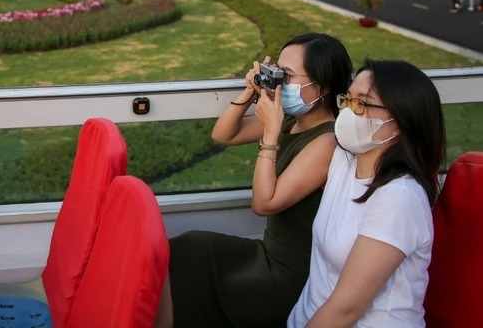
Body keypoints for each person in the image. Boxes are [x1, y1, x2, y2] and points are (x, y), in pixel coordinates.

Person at [165, 33, 353, 328]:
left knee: (191, 278)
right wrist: (250, 93)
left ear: (323, 86)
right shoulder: (292, 120)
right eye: (276, 72)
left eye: (286, 76)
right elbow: (224, 134)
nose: (278, 84)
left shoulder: (327, 141)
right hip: (266, 254)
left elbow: (264, 203)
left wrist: (270, 134)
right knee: (190, 248)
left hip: (288, 275)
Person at [288, 59, 445, 327]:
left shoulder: (399, 197)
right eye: (347, 99)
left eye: (362, 103)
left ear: (400, 122)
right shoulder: (342, 161)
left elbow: (346, 309)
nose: (348, 112)